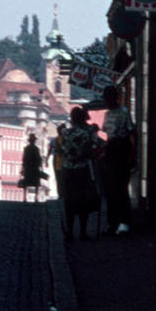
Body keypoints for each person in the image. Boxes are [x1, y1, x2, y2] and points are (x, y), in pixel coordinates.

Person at [100, 84, 136, 235]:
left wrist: (132, 154)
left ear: (114, 98)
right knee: (110, 189)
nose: (106, 101)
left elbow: (133, 133)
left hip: (122, 149)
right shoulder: (107, 114)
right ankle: (112, 223)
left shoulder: (124, 112)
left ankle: (124, 222)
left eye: (108, 98)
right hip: (111, 150)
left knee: (121, 188)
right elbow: (107, 134)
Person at [60, 106, 100, 240]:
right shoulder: (88, 132)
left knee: (69, 200)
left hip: (67, 169)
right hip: (83, 169)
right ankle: (83, 231)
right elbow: (96, 147)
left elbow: (63, 149)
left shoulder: (65, 133)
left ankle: (70, 231)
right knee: (84, 200)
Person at [19, 131, 44, 201]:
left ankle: (24, 197)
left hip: (28, 167)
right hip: (35, 167)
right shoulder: (36, 149)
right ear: (34, 141)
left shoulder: (26, 148)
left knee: (26, 182)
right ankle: (36, 198)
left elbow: (24, 159)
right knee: (36, 183)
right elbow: (39, 159)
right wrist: (41, 167)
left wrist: (23, 167)